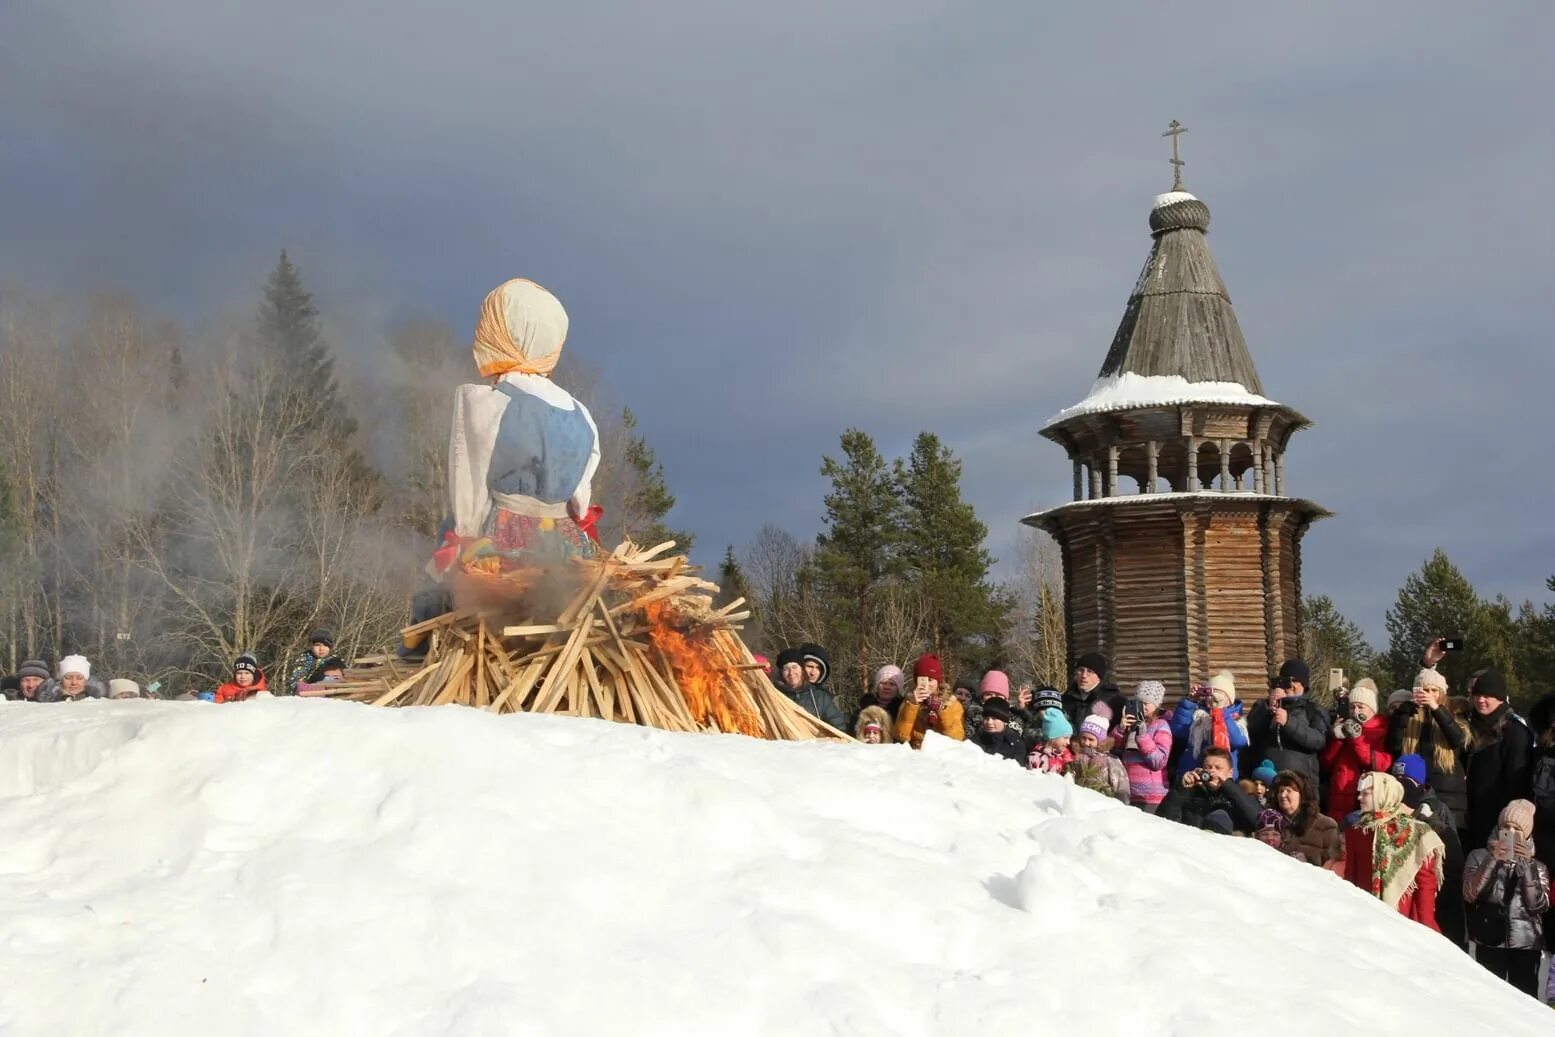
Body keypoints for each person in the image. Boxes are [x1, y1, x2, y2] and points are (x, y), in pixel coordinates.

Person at [405, 280, 602, 656]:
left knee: (440, 594)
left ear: (505, 331)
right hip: (565, 541)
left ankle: (418, 662)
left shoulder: (487, 402)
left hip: (503, 532)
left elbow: (470, 485)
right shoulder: (582, 414)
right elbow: (581, 498)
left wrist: (461, 538)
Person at [1462, 800, 1550, 998]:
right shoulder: (1478, 856)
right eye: (1506, 827)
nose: (1510, 832)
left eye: (1517, 829)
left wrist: (1528, 868)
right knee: (1488, 999)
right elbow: (1470, 894)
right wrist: (1492, 860)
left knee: (1525, 1000)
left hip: (1525, 945)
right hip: (1490, 940)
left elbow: (1539, 906)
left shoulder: (1538, 866)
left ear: (1527, 833)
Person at [1340, 771, 1445, 932]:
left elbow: (1425, 883)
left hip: (1405, 920)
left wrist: (1427, 927)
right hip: (1366, 919)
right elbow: (1350, 878)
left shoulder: (1417, 832)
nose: (1359, 798)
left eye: (1366, 793)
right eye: (1359, 793)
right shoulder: (1356, 831)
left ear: (1383, 794)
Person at [1393, 755, 1468, 950]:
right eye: (1395, 780)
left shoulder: (1437, 810)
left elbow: (1453, 858)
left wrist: (1430, 820)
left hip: (1438, 899)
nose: (1399, 787)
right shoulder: (1390, 806)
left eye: (1404, 781)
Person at [1386, 667, 1470, 826]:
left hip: (1448, 797)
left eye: (1434, 690)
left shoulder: (1453, 716)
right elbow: (1394, 746)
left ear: (1442, 693)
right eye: (1424, 690)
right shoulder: (1411, 718)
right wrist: (1400, 716)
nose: (1428, 694)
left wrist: (1437, 709)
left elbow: (1456, 740)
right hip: (1416, 793)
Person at [1463, 668, 1534, 853]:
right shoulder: (1470, 727)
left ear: (1500, 698)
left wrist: (1508, 829)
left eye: (1487, 696)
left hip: (1503, 821)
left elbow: (1519, 785)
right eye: (1477, 695)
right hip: (1471, 818)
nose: (1480, 700)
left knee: (1502, 871)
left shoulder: (1515, 732)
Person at [1243, 661, 1327, 786]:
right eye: (1286, 681)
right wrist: (1268, 709)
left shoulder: (1313, 710)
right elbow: (1249, 732)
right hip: (1265, 779)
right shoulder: (1263, 706)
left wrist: (1289, 723)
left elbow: (1318, 740)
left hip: (1299, 782)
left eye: (1294, 681)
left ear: (1302, 685)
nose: (1290, 686)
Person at [1319, 678, 1392, 820]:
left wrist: (1356, 739)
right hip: (1339, 797)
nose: (1355, 711)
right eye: (1352, 707)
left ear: (1372, 709)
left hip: (1365, 798)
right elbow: (1326, 762)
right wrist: (1338, 739)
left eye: (1360, 707)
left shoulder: (1382, 730)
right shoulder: (1345, 727)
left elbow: (1377, 764)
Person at [1157, 747, 1260, 833]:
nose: (1212, 771)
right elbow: (1162, 821)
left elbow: (1259, 820)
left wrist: (1228, 785)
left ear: (1230, 773)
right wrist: (1180, 789)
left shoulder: (1239, 795)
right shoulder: (1190, 793)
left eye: (1218, 768)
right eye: (1208, 767)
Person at [1170, 670, 1249, 780]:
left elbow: (1237, 742)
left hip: (1221, 777)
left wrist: (1221, 712)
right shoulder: (1198, 715)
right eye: (1209, 693)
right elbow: (1178, 731)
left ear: (1229, 699)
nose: (1211, 698)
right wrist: (1189, 702)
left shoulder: (1235, 718)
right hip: (1193, 774)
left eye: (1218, 694)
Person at [1111, 679, 1172, 812]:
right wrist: (1120, 730)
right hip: (1129, 792)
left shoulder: (1161, 726)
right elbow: (1116, 753)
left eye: (1146, 704)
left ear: (1156, 705)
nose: (1142, 707)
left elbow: (1158, 761)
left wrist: (1142, 736)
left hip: (1151, 796)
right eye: (1139, 703)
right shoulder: (1130, 726)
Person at [1269, 770, 1341, 867]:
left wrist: (1306, 864)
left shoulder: (1326, 826)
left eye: (1288, 790)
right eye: (1280, 791)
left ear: (1302, 795)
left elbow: (1331, 865)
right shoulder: (1269, 822)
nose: (1282, 795)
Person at [894, 654, 964, 749]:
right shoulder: (909, 702)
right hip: (916, 752)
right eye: (922, 680)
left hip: (943, 752)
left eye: (930, 680)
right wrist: (912, 706)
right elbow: (901, 736)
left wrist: (942, 710)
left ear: (938, 681)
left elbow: (957, 737)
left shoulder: (951, 703)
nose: (926, 685)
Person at [774, 647, 845, 730]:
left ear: (802, 670)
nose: (791, 673)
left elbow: (839, 727)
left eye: (794, 667)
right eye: (786, 669)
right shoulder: (775, 696)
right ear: (781, 673)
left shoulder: (820, 698)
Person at [1069, 715, 1130, 802]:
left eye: (1091, 739)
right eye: (1083, 738)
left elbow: (1121, 785)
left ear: (1101, 741)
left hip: (1104, 803)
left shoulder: (1110, 760)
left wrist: (1121, 803)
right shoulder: (1075, 757)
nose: (1086, 743)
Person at [1062, 652, 1124, 729]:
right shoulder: (1066, 699)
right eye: (1081, 670)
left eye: (1089, 671)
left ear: (1098, 676)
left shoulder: (1113, 700)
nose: (1084, 675)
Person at [286, 628, 336, 696]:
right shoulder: (306, 658)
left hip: (331, 689)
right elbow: (297, 677)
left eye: (325, 645)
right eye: (317, 645)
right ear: (311, 646)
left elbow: (344, 673)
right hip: (310, 689)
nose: (321, 649)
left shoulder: (335, 660)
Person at [36, 655, 107, 702]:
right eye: (68, 678)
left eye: (79, 678)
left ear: (86, 680)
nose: (74, 682)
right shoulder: (48, 700)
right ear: (61, 679)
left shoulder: (99, 700)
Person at [974, 698, 1025, 763]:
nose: (989, 722)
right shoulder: (976, 739)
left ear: (1003, 720)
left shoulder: (1016, 744)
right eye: (986, 718)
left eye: (994, 718)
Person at [855, 664, 905, 729]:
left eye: (892, 684)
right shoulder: (863, 709)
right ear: (877, 686)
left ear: (898, 688)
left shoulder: (904, 712)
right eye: (883, 683)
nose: (887, 687)